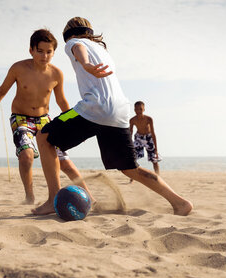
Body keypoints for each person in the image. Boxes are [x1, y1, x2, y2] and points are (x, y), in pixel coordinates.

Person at [34, 17, 192, 216]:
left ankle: (52, 199)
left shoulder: (74, 42)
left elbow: (78, 50)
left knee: (44, 136)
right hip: (120, 112)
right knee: (130, 168)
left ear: (69, 35)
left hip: (92, 108)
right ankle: (179, 202)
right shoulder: (104, 52)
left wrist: (86, 64)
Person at [0, 29, 90, 204]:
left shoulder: (56, 74)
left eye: (49, 52)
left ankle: (89, 197)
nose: (44, 56)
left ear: (54, 53)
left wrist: (74, 125)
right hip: (21, 119)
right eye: (40, 51)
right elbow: (2, 91)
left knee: (65, 163)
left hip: (45, 120)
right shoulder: (18, 68)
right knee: (26, 156)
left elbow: (62, 101)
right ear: (31, 50)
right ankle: (30, 196)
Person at [130, 101, 161, 176]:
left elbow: (153, 133)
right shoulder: (132, 120)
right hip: (139, 138)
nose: (138, 111)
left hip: (148, 138)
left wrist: (156, 149)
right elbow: (130, 133)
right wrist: (130, 146)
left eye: (140, 109)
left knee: (154, 159)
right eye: (136, 109)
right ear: (134, 110)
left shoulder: (148, 119)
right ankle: (133, 177)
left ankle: (158, 176)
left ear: (144, 109)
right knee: (133, 158)